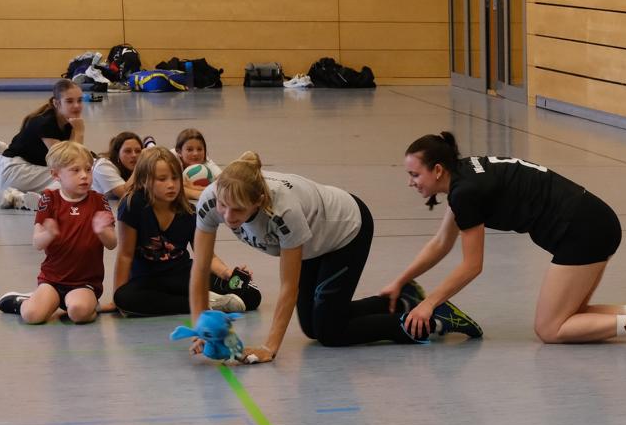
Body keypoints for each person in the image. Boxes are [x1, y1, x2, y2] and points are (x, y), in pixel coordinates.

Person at [382, 132, 626, 345]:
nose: (411, 183)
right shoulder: (463, 176)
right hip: (592, 220)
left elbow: (472, 266)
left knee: (550, 329)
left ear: (437, 170)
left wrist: (429, 304)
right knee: (570, 316)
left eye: (415, 175)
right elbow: (441, 243)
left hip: (581, 230)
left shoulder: (465, 192)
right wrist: (400, 281)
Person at [186, 152, 480, 364]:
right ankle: (402, 300)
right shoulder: (211, 199)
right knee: (312, 326)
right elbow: (200, 267)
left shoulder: (283, 211)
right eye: (223, 206)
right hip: (313, 241)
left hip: (345, 231)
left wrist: (269, 348)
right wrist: (203, 328)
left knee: (330, 332)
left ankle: (431, 321)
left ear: (259, 202)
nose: (228, 216)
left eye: (238, 210)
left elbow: (288, 286)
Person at [108, 145, 260, 317]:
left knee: (251, 295)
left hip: (183, 275)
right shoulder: (132, 206)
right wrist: (116, 299)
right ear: (144, 181)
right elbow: (125, 255)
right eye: (162, 179)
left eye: (175, 178)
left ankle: (203, 300)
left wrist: (227, 273)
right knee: (124, 298)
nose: (171, 185)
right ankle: (205, 303)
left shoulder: (189, 212)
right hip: (147, 281)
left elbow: (207, 256)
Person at [0, 142, 115, 325]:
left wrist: (102, 231)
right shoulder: (49, 199)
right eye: (75, 170)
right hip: (52, 279)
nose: (84, 175)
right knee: (32, 316)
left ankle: (87, 305)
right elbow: (37, 243)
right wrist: (48, 234)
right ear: (56, 175)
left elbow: (112, 243)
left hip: (84, 281)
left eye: (88, 170)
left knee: (79, 313)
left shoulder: (99, 200)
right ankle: (24, 302)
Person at [0, 79, 87, 209]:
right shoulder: (46, 123)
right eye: (69, 101)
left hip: (19, 165)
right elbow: (70, 161)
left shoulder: (67, 122)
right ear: (56, 103)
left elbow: (73, 152)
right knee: (70, 177)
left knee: (72, 173)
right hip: (14, 173)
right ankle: (22, 199)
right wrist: (79, 132)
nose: (76, 106)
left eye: (79, 100)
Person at [92, 130, 144, 203]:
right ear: (117, 154)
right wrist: (140, 165)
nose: (134, 155)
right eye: (128, 151)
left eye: (138, 151)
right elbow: (125, 194)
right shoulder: (103, 165)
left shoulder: (130, 166)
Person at [176, 128, 218, 198]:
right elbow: (174, 187)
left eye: (199, 149)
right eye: (189, 150)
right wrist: (205, 193)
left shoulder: (206, 162)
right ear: (179, 152)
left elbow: (223, 183)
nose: (195, 153)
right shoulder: (172, 159)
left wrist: (191, 187)